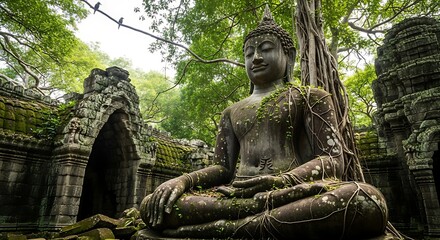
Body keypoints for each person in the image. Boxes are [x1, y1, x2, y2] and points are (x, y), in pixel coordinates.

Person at [140, 6, 388, 239]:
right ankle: (247, 221)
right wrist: (184, 181)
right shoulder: (232, 111)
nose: (256, 58)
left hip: (289, 193)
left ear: (288, 55)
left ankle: (227, 228)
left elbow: (332, 160)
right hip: (235, 196)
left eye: (266, 49)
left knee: (364, 199)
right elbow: (223, 169)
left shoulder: (311, 97)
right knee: (154, 205)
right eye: (249, 53)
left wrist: (282, 181)